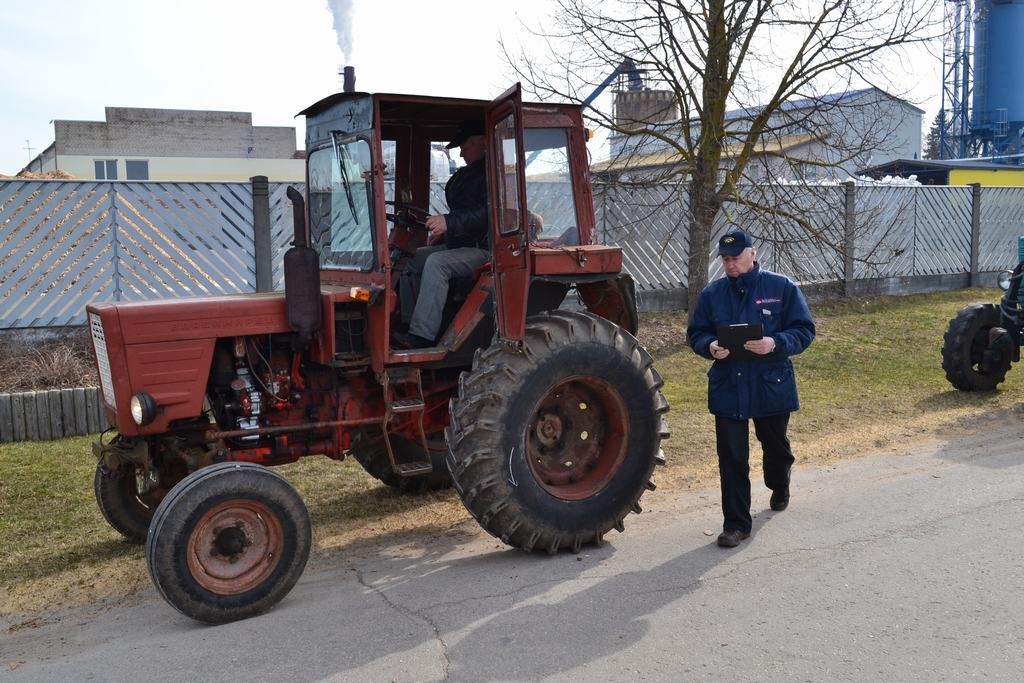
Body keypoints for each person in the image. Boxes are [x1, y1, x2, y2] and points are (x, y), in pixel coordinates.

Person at [686, 230, 816, 548]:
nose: (730, 265)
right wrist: (711, 346)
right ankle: (736, 524)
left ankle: (779, 483)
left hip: (771, 385)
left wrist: (775, 342)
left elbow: (804, 330)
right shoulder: (712, 294)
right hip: (729, 385)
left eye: (735, 258)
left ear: (752, 253)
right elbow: (696, 333)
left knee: (775, 448)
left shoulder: (781, 287)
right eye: (725, 260)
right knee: (731, 457)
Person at [393, 119, 489, 349]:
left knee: (437, 263)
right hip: (461, 243)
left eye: (465, 147)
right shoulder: (469, 173)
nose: (462, 153)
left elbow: (488, 212)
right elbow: (465, 213)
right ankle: (407, 323)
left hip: (486, 249)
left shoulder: (493, 173)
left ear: (481, 143)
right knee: (410, 258)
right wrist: (445, 232)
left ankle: (422, 336)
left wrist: (449, 222)